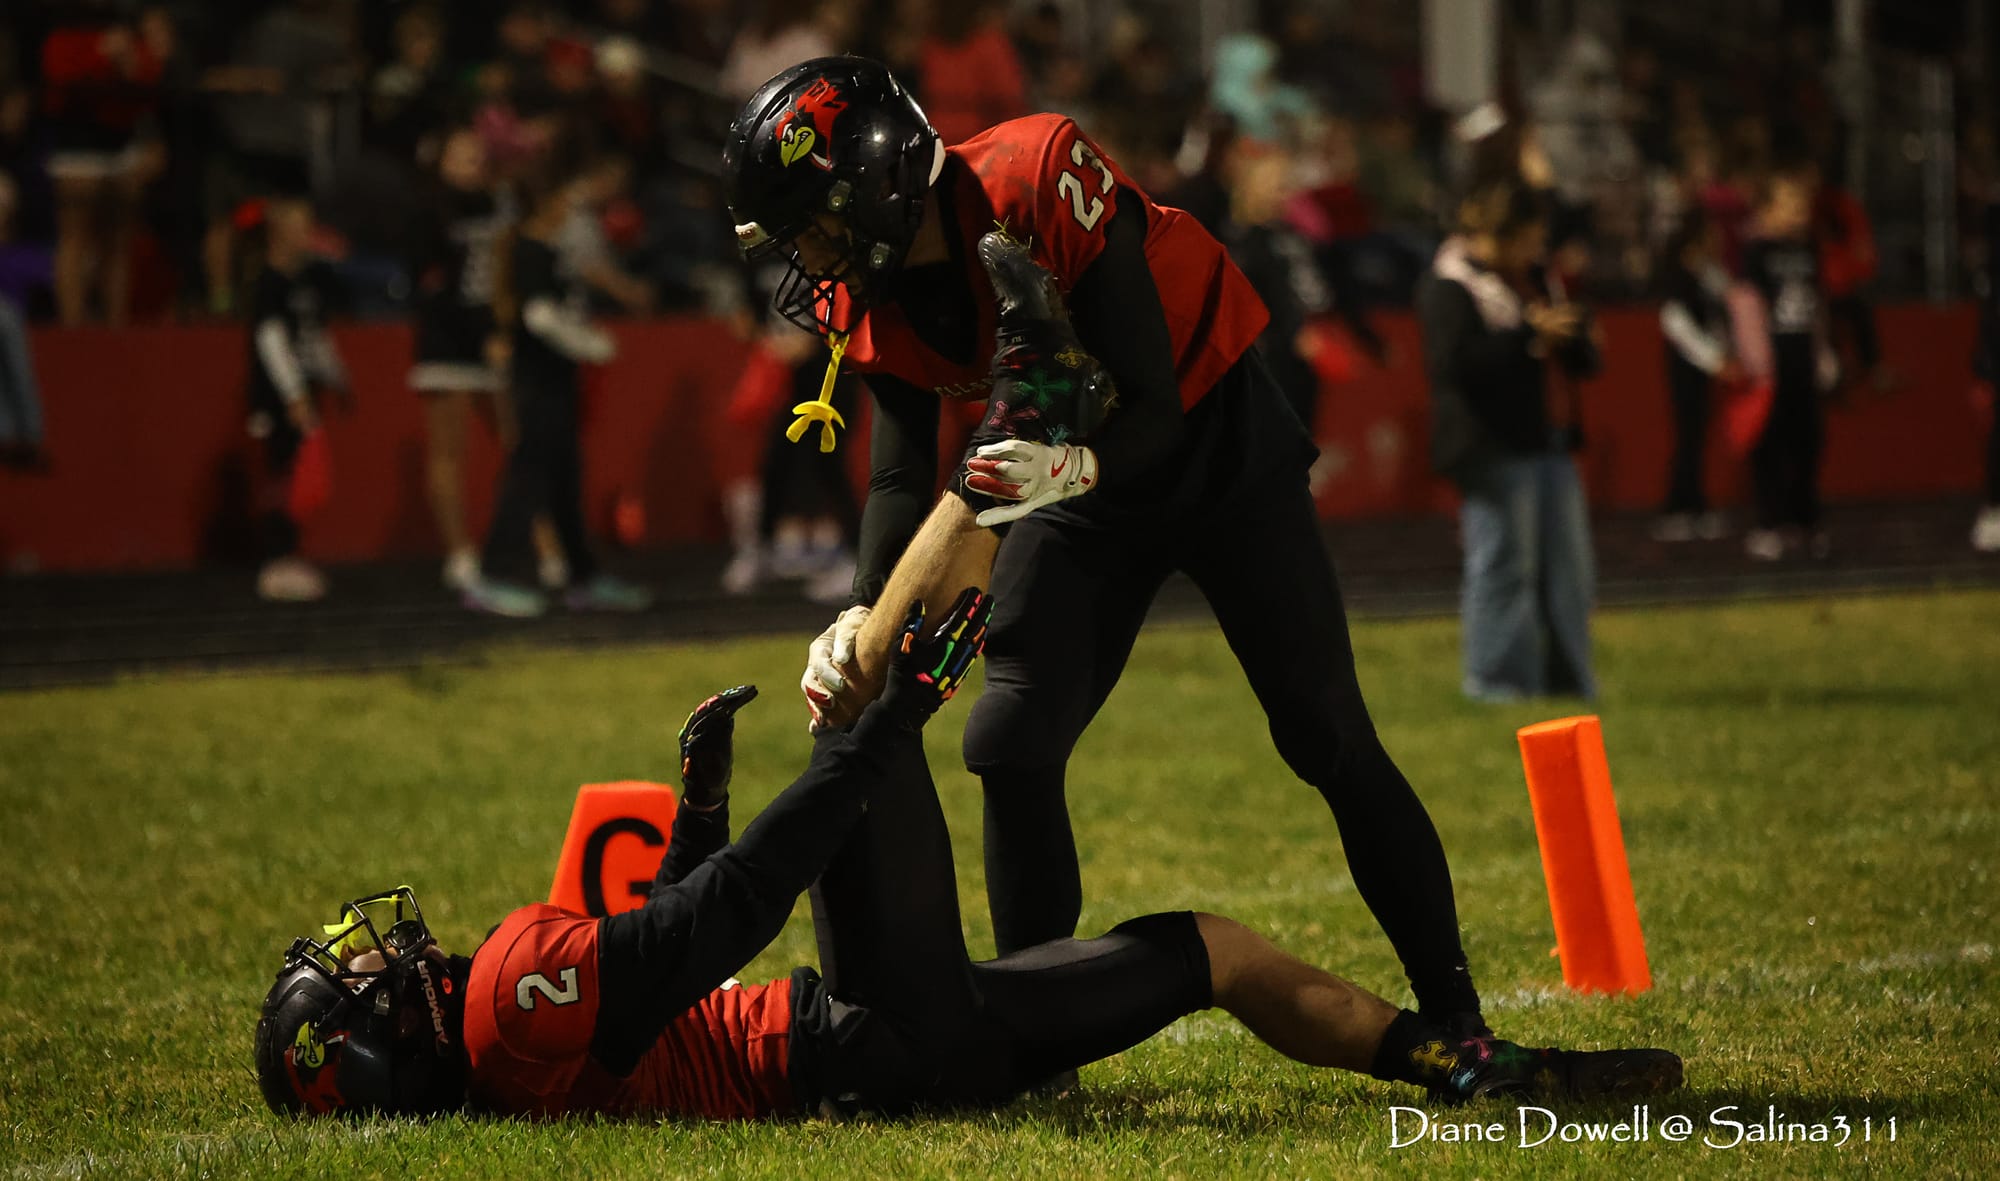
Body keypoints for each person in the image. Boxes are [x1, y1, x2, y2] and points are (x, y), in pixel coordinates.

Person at [254, 590, 1684, 1120]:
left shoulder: (515, 1037)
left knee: (1208, 950)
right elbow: (733, 915)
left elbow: (669, 964)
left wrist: (698, 806)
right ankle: (1020, 459)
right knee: (859, 692)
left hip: (902, 1050)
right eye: (361, 980)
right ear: (380, 1050)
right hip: (862, 1041)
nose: (382, 951)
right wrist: (888, 729)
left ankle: (1460, 1067)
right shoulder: (503, 1003)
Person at [723, 57, 1491, 1041]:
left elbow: (1152, 405)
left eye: (814, 227)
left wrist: (1066, 469)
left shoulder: (1032, 175)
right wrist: (863, 607)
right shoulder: (872, 287)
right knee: (1009, 741)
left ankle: (1455, 1013)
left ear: (876, 181)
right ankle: (1038, 1039)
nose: (810, 258)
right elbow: (898, 475)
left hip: (1210, 443)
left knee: (1324, 733)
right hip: (1068, 479)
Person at [1416, 179, 1602, 702]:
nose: (1536, 250)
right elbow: (1452, 366)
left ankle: (1568, 681)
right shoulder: (1449, 283)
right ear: (1498, 234)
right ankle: (1497, 682)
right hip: (1491, 444)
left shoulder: (1535, 277)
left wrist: (1574, 336)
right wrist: (1529, 336)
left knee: (1569, 571)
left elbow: (1576, 356)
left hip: (1549, 437)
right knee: (1503, 567)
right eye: (1528, 239)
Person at [468, 155, 651, 618]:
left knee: (564, 482)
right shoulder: (529, 251)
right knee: (527, 479)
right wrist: (590, 344)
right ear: (547, 202)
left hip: (557, 382)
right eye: (565, 197)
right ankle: (495, 575)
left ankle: (582, 576)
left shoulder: (548, 251)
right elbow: (540, 317)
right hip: (537, 384)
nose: (571, 206)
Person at [409, 128, 514, 592]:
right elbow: (431, 285)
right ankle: (460, 554)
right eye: (462, 157)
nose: (472, 166)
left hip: (490, 338)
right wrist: (481, 330)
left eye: (478, 158)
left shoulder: (497, 205)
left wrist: (500, 325)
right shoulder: (431, 210)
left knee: (518, 442)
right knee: (450, 453)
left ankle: (544, 548)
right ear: (442, 163)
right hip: (449, 341)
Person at [241, 197, 348, 603]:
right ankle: (274, 560)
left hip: (304, 393)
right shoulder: (269, 283)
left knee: (298, 480)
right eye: (300, 227)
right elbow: (271, 341)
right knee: (279, 476)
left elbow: (314, 335)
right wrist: (293, 393)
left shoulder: (307, 282)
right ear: (279, 234)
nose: (308, 235)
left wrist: (337, 376)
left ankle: (288, 554)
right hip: (277, 399)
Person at [1738, 168, 1836, 562]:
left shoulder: (1810, 248)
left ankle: (1804, 520)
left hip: (1802, 359)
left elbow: (1819, 303)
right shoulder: (1757, 251)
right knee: (1770, 446)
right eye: (1789, 205)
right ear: (1767, 209)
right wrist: (1758, 362)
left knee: (1808, 443)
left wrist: (1824, 353)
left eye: (1801, 205)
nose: (1798, 213)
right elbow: (1747, 306)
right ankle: (1769, 523)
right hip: (1772, 365)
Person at [1653, 211, 1736, 542]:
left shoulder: (1707, 275)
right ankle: (1678, 508)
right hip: (1685, 367)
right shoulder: (1679, 277)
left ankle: (1696, 505)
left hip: (1704, 366)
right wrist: (1714, 359)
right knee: (1688, 436)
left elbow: (1728, 298)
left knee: (1698, 436)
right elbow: (1675, 324)